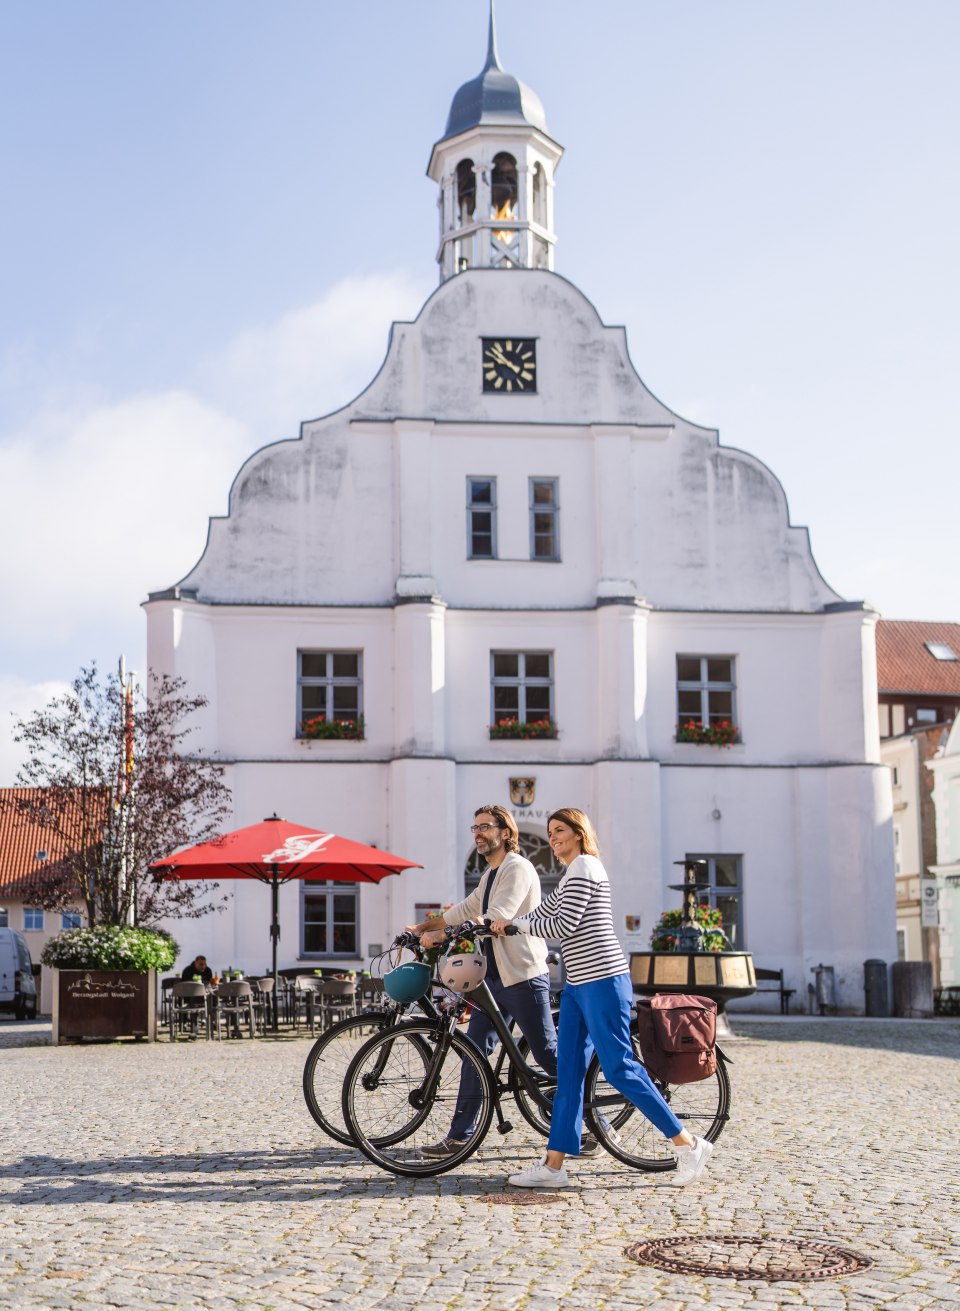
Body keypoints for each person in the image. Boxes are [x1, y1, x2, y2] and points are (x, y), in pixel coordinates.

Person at [491, 807, 715, 1189]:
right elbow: (544, 910)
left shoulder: (586, 867)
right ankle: (554, 1166)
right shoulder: (570, 873)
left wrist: (515, 925)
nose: (553, 837)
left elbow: (562, 925)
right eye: (550, 832)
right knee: (569, 1075)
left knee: (618, 1068)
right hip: (578, 985)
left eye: (560, 830)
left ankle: (688, 1143)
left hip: (604, 981)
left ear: (579, 833)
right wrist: (499, 922)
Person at [408, 804, 572, 1158]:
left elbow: (497, 916)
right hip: (493, 980)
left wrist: (446, 934)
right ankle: (460, 1136)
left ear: (505, 833)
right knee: (474, 1052)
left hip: (523, 977)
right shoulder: (490, 874)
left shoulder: (517, 868)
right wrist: (422, 928)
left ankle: (594, 1122)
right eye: (475, 828)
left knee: (548, 1055)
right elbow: (464, 910)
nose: (478, 833)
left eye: (485, 827)